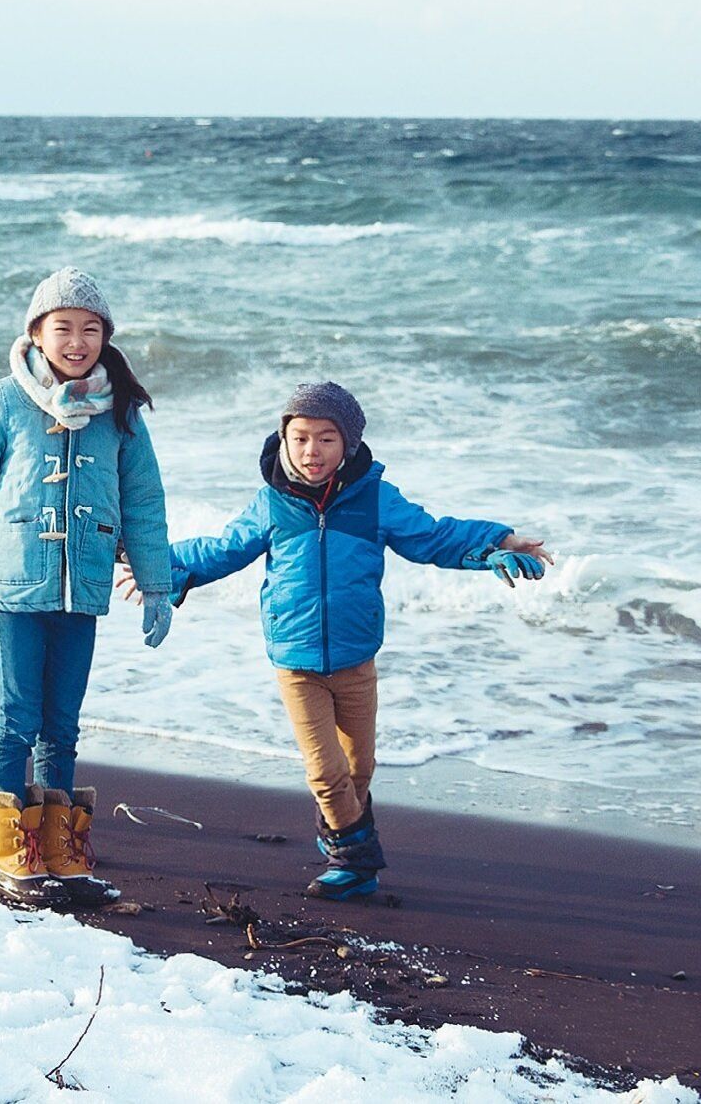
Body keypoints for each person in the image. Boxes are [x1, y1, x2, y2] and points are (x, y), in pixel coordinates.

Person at [131, 382, 546, 900]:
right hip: (296, 659)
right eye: (300, 438)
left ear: (346, 444)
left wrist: (495, 543)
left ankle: (342, 840)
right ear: (283, 440)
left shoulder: (374, 498)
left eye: (326, 439)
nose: (311, 451)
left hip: (356, 658)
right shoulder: (272, 504)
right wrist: (156, 563)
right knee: (327, 773)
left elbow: (432, 536)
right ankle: (355, 861)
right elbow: (222, 548)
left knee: (358, 768)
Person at [0, 268, 176, 908]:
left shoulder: (121, 411)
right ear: (36, 332)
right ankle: (11, 856)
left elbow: (143, 502)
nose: (77, 341)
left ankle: (60, 853)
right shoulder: (5, 401)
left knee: (63, 725)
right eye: (64, 328)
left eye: (91, 330)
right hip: (14, 586)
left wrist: (157, 585)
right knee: (16, 720)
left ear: (106, 337)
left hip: (81, 588)